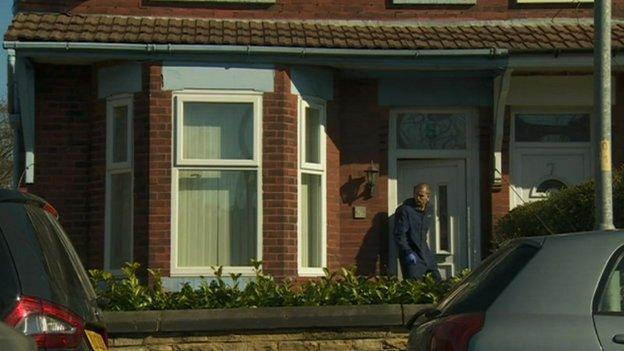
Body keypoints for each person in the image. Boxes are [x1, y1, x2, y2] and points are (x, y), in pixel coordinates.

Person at [393, 183, 441, 281]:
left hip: (424, 250)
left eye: (421, 196)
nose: (418, 198)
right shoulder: (405, 210)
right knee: (414, 283)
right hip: (411, 251)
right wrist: (407, 252)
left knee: (436, 279)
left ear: (428, 197)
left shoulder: (429, 210)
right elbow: (400, 234)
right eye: (416, 195)